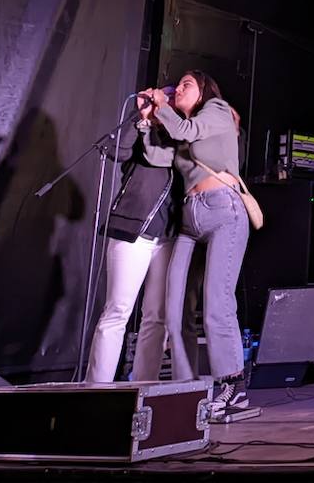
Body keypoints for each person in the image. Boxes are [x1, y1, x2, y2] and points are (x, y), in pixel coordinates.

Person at [144, 71, 250, 420]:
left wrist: (162, 105)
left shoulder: (217, 110)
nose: (178, 88)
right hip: (190, 220)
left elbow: (185, 131)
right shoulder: (182, 128)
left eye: (186, 84)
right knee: (173, 311)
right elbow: (159, 157)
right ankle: (186, 390)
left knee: (217, 303)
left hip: (223, 210)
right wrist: (146, 123)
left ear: (204, 91)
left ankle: (232, 388)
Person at [84, 100, 177, 381]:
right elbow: (116, 151)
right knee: (117, 311)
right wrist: (139, 117)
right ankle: (95, 388)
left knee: (157, 317)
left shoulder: (186, 133)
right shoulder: (141, 129)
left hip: (169, 235)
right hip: (132, 229)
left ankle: (144, 390)